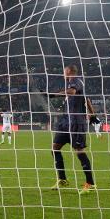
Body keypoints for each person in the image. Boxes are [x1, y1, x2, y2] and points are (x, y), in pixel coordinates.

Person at [47, 65, 97, 195]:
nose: (63, 73)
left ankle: (90, 183)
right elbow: (87, 100)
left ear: (68, 71)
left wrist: (53, 94)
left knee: (79, 151)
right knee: (55, 148)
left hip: (76, 123)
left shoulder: (76, 81)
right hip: (65, 122)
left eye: (64, 71)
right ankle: (62, 179)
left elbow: (73, 92)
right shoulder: (73, 84)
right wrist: (93, 115)